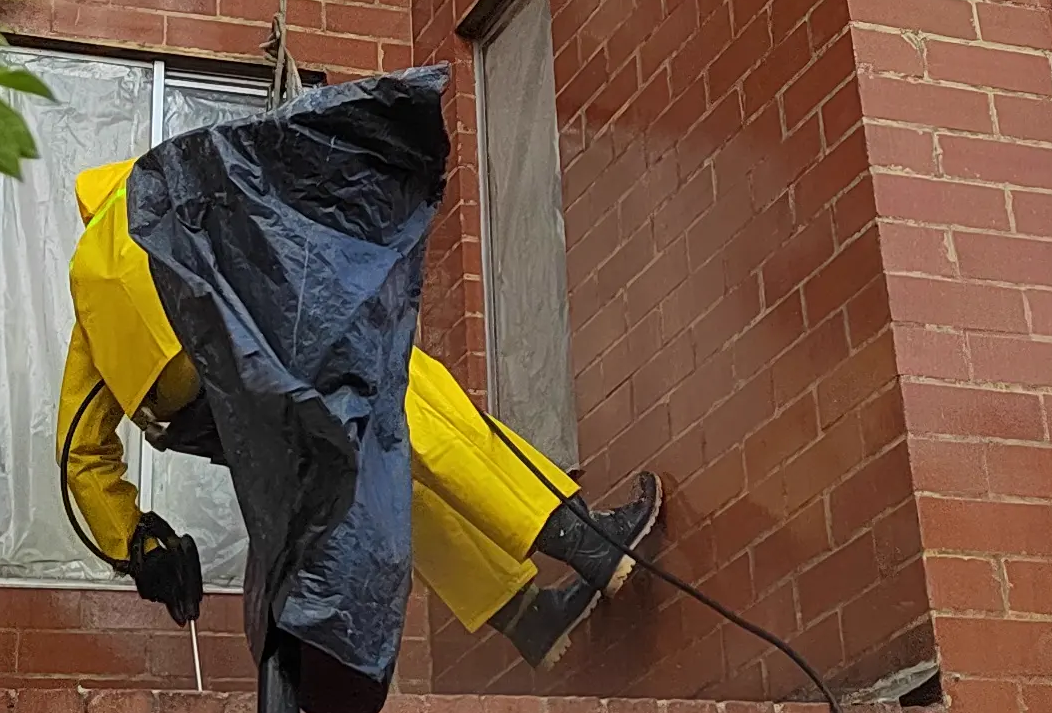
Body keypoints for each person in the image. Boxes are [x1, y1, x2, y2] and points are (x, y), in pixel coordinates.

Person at [54, 157, 662, 673]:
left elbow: (79, 450)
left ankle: (527, 617)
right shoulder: (176, 185)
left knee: (380, 480)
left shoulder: (90, 292)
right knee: (421, 406)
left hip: (241, 434)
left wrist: (134, 543)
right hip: (284, 363)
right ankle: (587, 541)